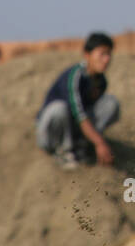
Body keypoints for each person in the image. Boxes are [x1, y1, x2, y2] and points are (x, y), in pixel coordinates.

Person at [35, 32, 120, 169]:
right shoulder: (75, 76)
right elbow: (79, 114)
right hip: (50, 133)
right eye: (102, 54)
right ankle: (63, 151)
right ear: (87, 55)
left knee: (111, 104)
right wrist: (100, 143)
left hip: (74, 128)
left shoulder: (101, 81)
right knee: (59, 109)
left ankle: (81, 145)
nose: (107, 59)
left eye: (109, 54)